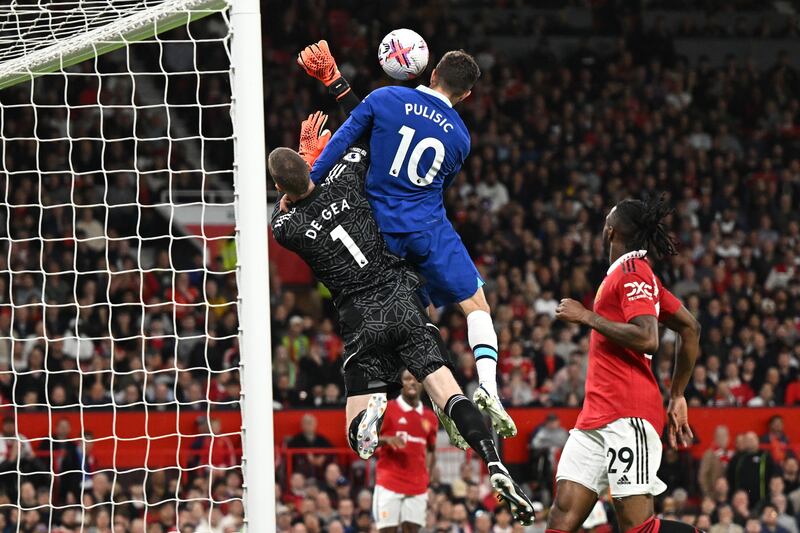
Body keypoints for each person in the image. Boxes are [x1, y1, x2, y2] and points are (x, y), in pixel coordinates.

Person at [268, 111, 533, 524]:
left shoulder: (285, 227)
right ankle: (493, 458)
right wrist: (318, 154)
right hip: (400, 297)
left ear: (280, 186)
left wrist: (301, 166)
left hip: (360, 317)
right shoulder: (346, 176)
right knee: (448, 392)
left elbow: (287, 202)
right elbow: (367, 133)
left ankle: (370, 414)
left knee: (356, 439)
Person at [296, 40, 515, 438]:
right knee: (475, 304)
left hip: (380, 229)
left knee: (407, 317)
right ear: (466, 94)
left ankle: (386, 391)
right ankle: (488, 386)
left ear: (432, 74)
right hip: (428, 228)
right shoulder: (461, 138)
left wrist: (307, 184)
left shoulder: (385, 98)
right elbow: (440, 183)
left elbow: (342, 143)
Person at [545, 196, 702, 533]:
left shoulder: (634, 272)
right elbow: (690, 328)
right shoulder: (630, 275)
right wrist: (677, 395)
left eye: (606, 219)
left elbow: (648, 338)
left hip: (627, 415)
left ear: (611, 230)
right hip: (594, 418)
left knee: (637, 528)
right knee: (561, 516)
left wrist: (587, 316)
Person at [372, 371, 437, 532]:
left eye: (416, 379)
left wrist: (426, 473)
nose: (412, 382)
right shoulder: (387, 409)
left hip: (417, 485)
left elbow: (431, 449)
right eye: (407, 379)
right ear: (400, 383)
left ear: (422, 384)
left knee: (412, 530)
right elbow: (367, 442)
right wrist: (386, 440)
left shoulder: (430, 417)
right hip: (389, 482)